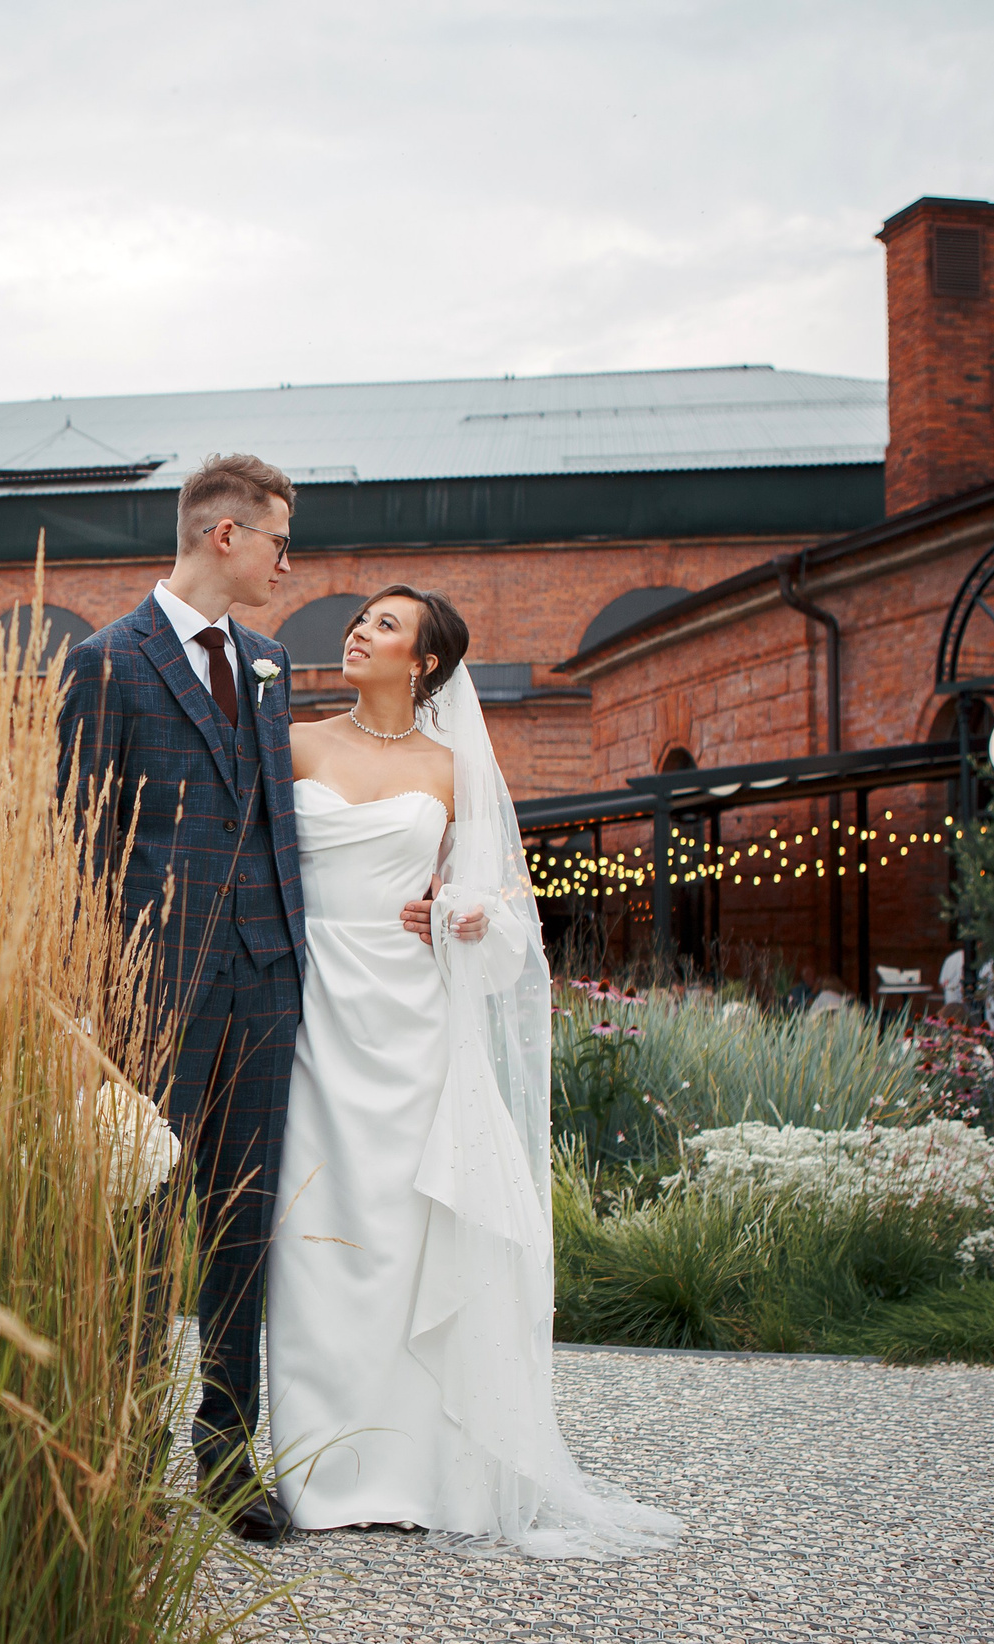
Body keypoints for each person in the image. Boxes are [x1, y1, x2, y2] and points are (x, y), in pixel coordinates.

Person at [264, 586, 681, 1557]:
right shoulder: (293, 744)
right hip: (313, 1007)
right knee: (317, 1232)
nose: (358, 632)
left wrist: (456, 908)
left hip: (410, 1020)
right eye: (361, 618)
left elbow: (504, 919)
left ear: (424, 664)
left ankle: (416, 1469)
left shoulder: (456, 770)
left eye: (384, 626)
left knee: (408, 1234)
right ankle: (314, 1471)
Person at [56, 453, 309, 1545]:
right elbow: (76, 845)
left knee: (244, 1221)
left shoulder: (265, 662)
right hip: (151, 996)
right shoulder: (105, 662)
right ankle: (116, 1465)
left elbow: (272, 828)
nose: (284, 563)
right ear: (223, 536)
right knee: (143, 1228)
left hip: (264, 981)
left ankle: (225, 1454)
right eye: (275, 542)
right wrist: (94, 997)